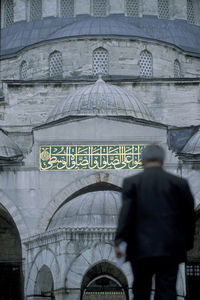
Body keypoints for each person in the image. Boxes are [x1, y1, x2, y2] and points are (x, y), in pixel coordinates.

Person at [115, 144, 195, 300]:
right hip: (170, 249)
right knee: (166, 292)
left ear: (142, 161)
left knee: (141, 291)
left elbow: (126, 217)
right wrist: (187, 244)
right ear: (163, 161)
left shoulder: (132, 182)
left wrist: (119, 242)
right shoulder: (179, 183)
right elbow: (188, 217)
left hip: (140, 249)